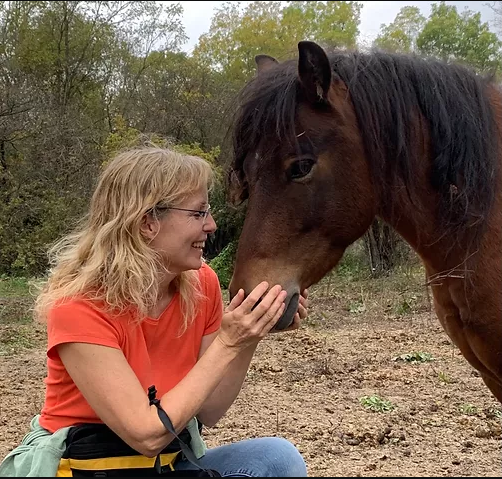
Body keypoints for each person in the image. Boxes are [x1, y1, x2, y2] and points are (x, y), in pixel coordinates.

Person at [0, 145, 309, 477]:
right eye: (198, 213)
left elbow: (210, 409)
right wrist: (228, 343)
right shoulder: (79, 305)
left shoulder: (201, 284)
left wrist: (249, 334)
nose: (212, 225)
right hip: (87, 467)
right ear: (148, 222)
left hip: (164, 465)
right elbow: (146, 435)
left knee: (277, 457)